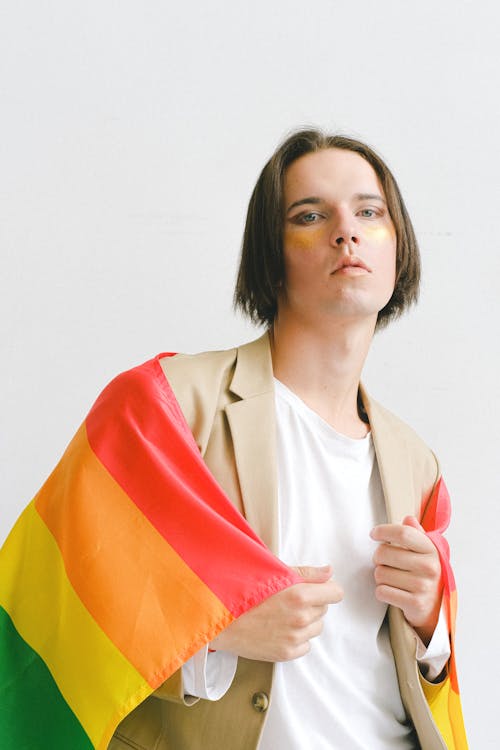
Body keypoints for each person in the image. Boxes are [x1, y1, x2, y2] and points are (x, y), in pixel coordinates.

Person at [108, 130, 467, 749]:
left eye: (369, 212)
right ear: (270, 253)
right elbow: (66, 604)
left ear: (398, 248)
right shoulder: (167, 405)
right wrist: (215, 631)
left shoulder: (416, 460)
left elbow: (421, 680)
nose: (346, 231)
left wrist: (433, 621)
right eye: (310, 215)